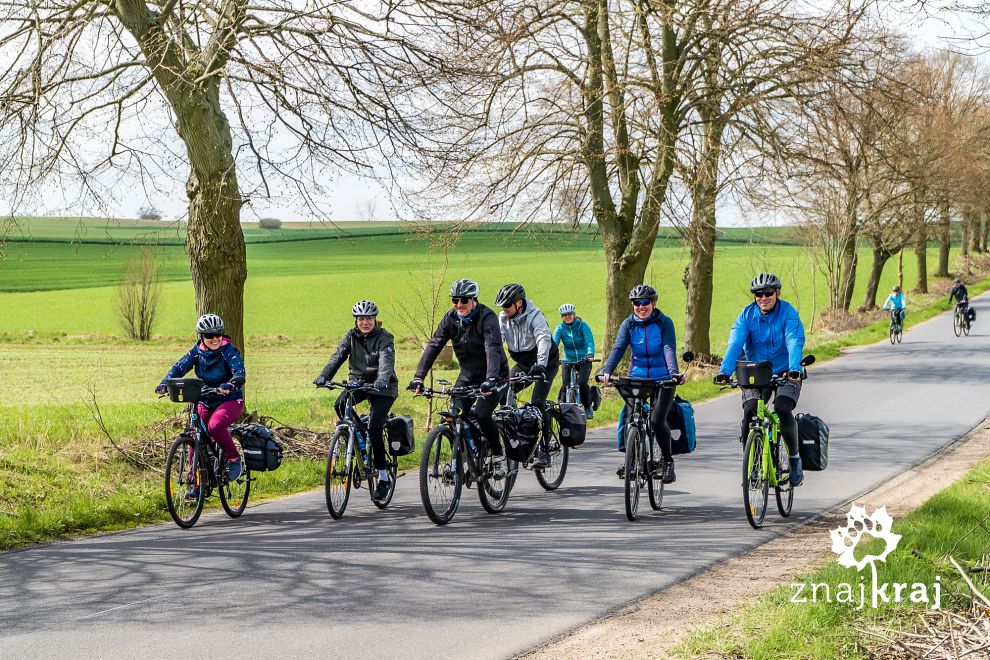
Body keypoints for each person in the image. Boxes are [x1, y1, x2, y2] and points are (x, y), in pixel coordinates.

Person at [409, 279, 510, 477]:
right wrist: (418, 377)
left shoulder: (487, 317)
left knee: (482, 414)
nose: (459, 304)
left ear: (473, 300)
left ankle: (498, 456)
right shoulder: (450, 318)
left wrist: (490, 379)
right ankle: (469, 455)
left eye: (463, 300)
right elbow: (434, 345)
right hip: (467, 376)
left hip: (495, 376)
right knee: (456, 413)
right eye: (455, 300)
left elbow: (492, 349)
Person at [714, 273, 807, 487]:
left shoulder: (788, 313)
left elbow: (794, 341)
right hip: (757, 372)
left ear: (777, 293)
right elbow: (735, 345)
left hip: (786, 372)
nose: (763, 298)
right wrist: (725, 371)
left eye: (768, 293)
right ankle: (752, 462)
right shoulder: (746, 316)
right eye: (758, 294)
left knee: (783, 409)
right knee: (750, 413)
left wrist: (795, 369)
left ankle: (794, 460)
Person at [314, 300, 398, 502]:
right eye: (361, 319)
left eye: (369, 318)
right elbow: (337, 357)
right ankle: (357, 438)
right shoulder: (350, 337)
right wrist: (324, 376)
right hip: (358, 384)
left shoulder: (385, 337)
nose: (365, 322)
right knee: (340, 405)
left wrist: (382, 380)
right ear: (356, 321)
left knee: (376, 428)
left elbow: (386, 362)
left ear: (375, 319)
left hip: (383, 388)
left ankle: (384, 478)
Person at [156, 314, 246, 493]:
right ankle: (196, 482)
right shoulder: (197, 352)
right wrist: (165, 382)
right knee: (194, 436)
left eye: (218, 334)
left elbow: (239, 370)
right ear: (201, 337)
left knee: (215, 426)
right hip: (205, 397)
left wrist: (232, 383)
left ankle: (234, 459)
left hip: (229, 399)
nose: (215, 339)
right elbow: (179, 367)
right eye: (209, 335)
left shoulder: (228, 351)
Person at [601, 285, 682, 484]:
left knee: (656, 420)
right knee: (630, 417)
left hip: (663, 376)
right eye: (637, 303)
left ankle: (668, 462)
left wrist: (673, 373)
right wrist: (606, 371)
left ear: (653, 304)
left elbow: (668, 348)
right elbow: (619, 347)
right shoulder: (628, 324)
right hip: (637, 375)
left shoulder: (664, 323)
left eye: (645, 303)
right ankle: (632, 458)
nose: (641, 307)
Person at [495, 283, 560, 468]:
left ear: (519, 303)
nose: (504, 309)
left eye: (507, 305)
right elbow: (497, 344)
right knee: (503, 391)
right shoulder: (503, 318)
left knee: (537, 403)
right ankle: (517, 435)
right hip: (523, 363)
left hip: (545, 363)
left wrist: (540, 364)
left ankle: (545, 451)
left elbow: (543, 339)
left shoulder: (535, 316)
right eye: (502, 306)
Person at [553, 303, 596, 419]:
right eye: (564, 315)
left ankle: (588, 407)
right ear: (562, 317)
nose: (567, 317)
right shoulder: (560, 328)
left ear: (574, 314)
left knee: (582, 383)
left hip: (584, 359)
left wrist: (590, 354)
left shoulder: (582, 326)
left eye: (569, 314)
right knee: (565, 384)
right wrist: (551, 356)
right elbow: (554, 344)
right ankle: (561, 409)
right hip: (568, 359)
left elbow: (589, 341)